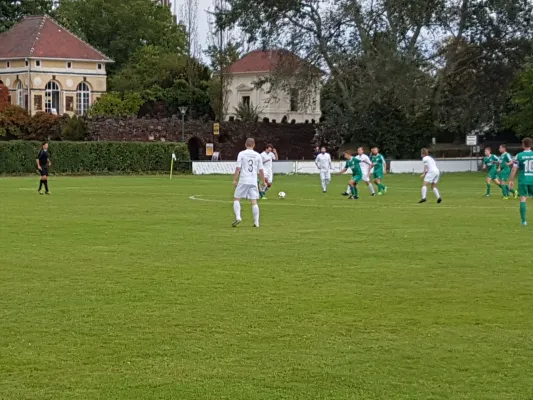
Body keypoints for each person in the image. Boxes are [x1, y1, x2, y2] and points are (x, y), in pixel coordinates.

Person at [232, 138, 266, 228]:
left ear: (245, 144)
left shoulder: (242, 154)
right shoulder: (257, 155)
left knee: (236, 198)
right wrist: (264, 181)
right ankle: (256, 222)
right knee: (254, 201)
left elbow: (238, 168)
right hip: (253, 181)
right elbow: (261, 170)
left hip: (243, 179)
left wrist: (235, 179)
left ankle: (238, 217)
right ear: (254, 145)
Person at [508, 137, 533, 226]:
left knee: (523, 199)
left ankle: (524, 221)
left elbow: (514, 169)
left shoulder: (519, 155)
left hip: (523, 180)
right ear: (531, 145)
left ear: (523, 145)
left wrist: (511, 180)